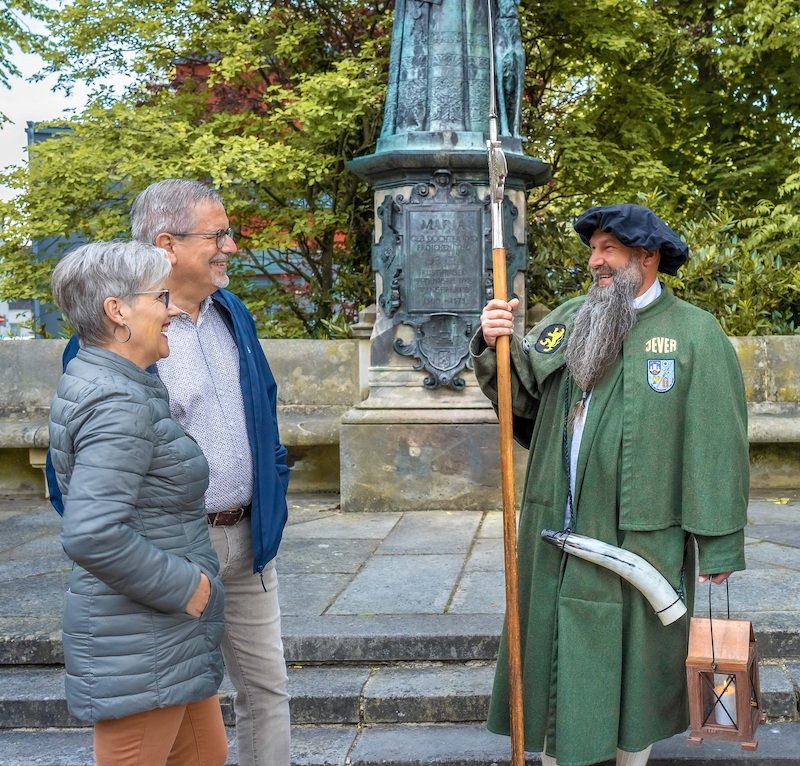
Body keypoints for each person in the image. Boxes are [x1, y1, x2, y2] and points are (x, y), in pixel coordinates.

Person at [472, 203, 749, 766]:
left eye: (608, 251)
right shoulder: (575, 315)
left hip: (642, 544)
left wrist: (719, 544)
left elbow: (716, 445)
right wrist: (493, 343)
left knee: (633, 691)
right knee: (555, 667)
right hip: (557, 534)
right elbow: (520, 393)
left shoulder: (695, 335)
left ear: (646, 258)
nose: (594, 261)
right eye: (593, 249)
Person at [47, 180, 292, 765]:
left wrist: (272, 491)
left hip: (247, 539)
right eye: (219, 233)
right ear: (168, 243)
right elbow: (87, 512)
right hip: (169, 563)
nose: (231, 245)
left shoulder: (233, 315)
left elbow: (262, 410)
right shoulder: (107, 369)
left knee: (256, 697)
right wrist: (177, 579)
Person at [48, 241, 227, 766]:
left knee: (205, 756)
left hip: (163, 635)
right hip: (141, 638)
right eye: (161, 297)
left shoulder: (121, 385)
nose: (172, 309)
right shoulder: (116, 402)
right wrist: (188, 588)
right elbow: (91, 532)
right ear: (117, 310)